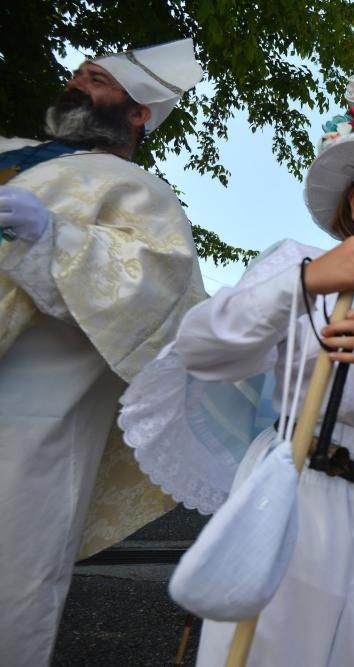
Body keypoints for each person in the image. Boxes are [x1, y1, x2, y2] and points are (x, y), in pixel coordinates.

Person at [122, 24, 354, 665]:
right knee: (270, 644)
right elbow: (205, 348)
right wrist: (307, 283)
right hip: (295, 483)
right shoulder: (301, 262)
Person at [0, 39, 205, 665]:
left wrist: (53, 239)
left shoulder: (138, 192)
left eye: (96, 79)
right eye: (77, 74)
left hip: (29, 416)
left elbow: (159, 292)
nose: (76, 83)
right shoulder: (11, 154)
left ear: (139, 111)